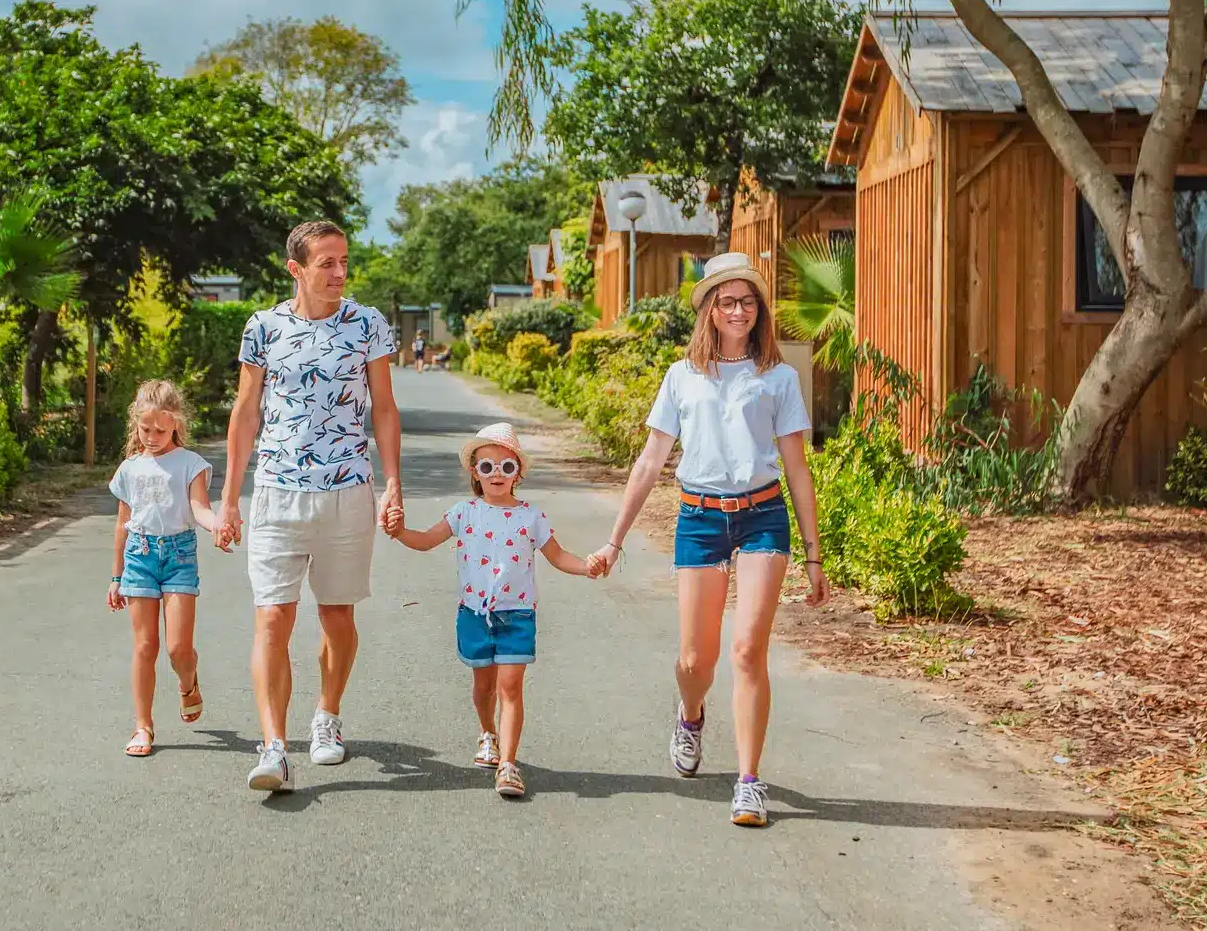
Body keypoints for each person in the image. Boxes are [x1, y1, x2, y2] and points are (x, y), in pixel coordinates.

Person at [588, 252, 830, 827]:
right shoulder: (682, 377)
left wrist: (815, 554)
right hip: (698, 518)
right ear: (711, 311)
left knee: (748, 650)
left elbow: (798, 469)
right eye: (727, 301)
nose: (739, 310)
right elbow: (650, 463)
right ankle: (691, 714)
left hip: (762, 517)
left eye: (748, 301)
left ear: (759, 310)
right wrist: (615, 540)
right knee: (697, 660)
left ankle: (749, 781)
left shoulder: (779, 378)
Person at [219, 220, 403, 793]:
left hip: (348, 490)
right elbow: (246, 414)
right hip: (277, 490)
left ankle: (327, 714)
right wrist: (229, 498)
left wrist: (393, 483)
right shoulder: (263, 328)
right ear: (295, 269)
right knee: (273, 616)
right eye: (327, 263)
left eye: (344, 261)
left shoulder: (368, 324)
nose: (340, 273)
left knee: (337, 617)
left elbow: (386, 410)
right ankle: (273, 747)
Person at [387, 421, 596, 799]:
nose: (496, 475)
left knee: (510, 686)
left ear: (518, 473)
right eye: (487, 467)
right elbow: (426, 540)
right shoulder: (463, 513)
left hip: (517, 615)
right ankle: (488, 733)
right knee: (483, 685)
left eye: (506, 467)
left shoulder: (532, 517)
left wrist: (587, 566)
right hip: (474, 614)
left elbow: (558, 555)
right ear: (474, 473)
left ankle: (509, 765)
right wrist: (401, 532)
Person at [107, 380, 221, 758]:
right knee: (144, 647)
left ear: (176, 424)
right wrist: (116, 575)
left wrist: (217, 524)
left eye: (160, 430)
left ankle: (188, 682)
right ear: (135, 425)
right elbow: (123, 522)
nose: (152, 437)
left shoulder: (190, 464)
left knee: (177, 648)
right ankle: (143, 726)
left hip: (179, 557)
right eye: (145, 429)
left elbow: (199, 508)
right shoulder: (129, 468)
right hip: (139, 557)